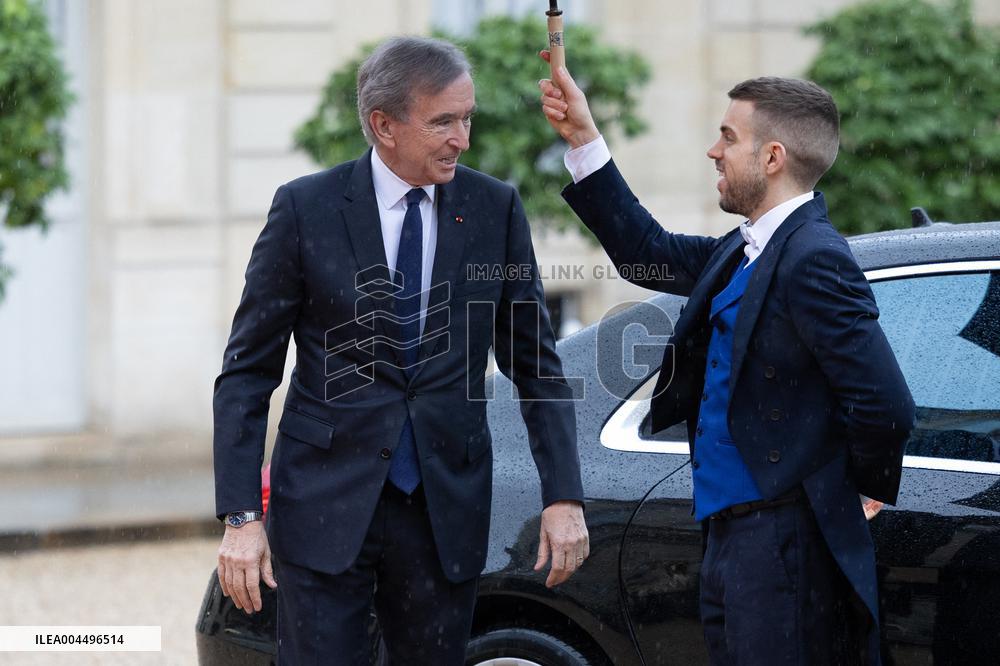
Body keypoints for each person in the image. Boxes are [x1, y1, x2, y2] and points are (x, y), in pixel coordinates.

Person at [212, 36, 589, 665]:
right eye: (443, 121)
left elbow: (537, 366)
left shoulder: (494, 209)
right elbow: (247, 373)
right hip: (324, 511)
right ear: (383, 125)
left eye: (466, 118)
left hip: (444, 515)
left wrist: (564, 496)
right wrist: (240, 516)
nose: (462, 138)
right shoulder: (306, 209)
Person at [539, 60, 914, 665]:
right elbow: (647, 255)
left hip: (784, 541)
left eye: (728, 137)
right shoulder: (741, 250)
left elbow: (885, 404)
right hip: (730, 536)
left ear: (772, 158)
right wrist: (584, 139)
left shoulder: (816, 258)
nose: (713, 151)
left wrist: (857, 490)